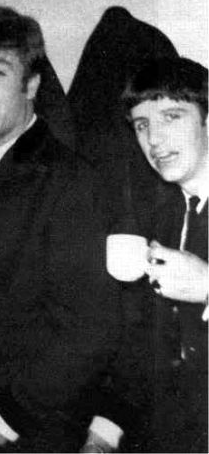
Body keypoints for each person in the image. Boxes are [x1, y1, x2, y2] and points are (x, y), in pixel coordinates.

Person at [0, 7, 120, 452]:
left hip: (27, 429)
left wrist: (4, 417)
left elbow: (89, 329)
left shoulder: (68, 178)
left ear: (32, 84)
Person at [83, 57, 208, 453]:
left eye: (172, 116)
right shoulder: (168, 213)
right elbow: (147, 345)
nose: (154, 139)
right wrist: (103, 433)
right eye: (142, 124)